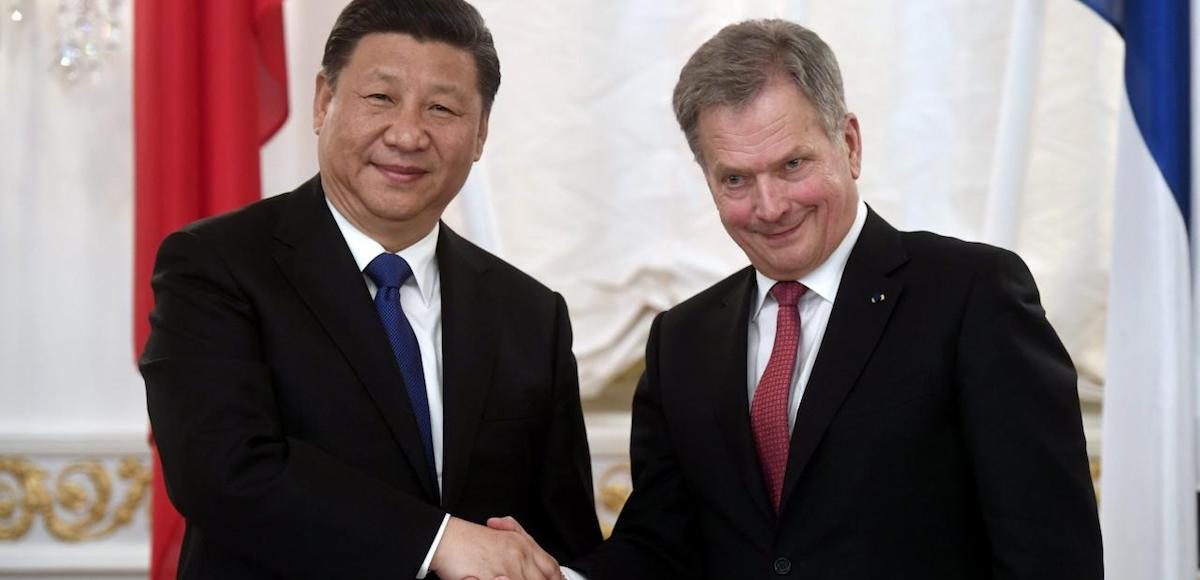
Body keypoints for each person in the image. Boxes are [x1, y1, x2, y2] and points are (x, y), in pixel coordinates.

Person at [551, 19, 1103, 579]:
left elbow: (1050, 554)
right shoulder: (682, 340)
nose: (769, 207)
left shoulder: (972, 295)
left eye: (792, 165)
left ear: (850, 144)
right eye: (736, 180)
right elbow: (661, 545)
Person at [140, 1, 601, 578]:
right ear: (323, 102)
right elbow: (221, 470)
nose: (408, 134)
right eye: (380, 98)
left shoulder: (530, 313)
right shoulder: (216, 265)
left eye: (443, 108)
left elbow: (565, 538)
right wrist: (438, 542)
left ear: (480, 134)